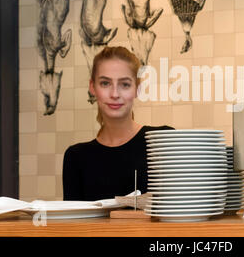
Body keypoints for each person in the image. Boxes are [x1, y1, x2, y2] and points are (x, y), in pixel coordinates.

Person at [62, 46, 173, 201]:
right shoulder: (76, 157)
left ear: (137, 89)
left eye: (125, 84)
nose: (115, 94)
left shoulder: (162, 141)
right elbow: (73, 224)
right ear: (92, 87)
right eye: (105, 83)